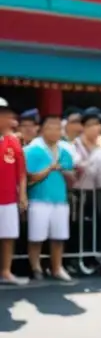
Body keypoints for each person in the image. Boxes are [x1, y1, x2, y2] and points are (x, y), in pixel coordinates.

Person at [24, 115, 75, 282]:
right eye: (51, 127)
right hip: (39, 199)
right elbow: (29, 178)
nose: (55, 132)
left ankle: (57, 268)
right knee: (36, 237)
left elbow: (71, 177)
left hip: (60, 199)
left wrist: (70, 174)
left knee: (59, 237)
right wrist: (50, 168)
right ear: (42, 129)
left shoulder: (65, 151)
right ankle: (36, 267)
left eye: (58, 128)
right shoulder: (32, 150)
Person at [73, 108, 101, 275]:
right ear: (84, 127)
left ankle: (92, 258)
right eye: (91, 125)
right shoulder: (75, 145)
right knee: (78, 227)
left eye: (97, 124)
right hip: (78, 191)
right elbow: (79, 166)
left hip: (94, 191)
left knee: (94, 225)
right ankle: (77, 259)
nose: (95, 128)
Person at [0, 99, 27, 285]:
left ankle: (6, 272)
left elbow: (21, 172)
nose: (6, 118)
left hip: (8, 198)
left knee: (8, 236)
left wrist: (22, 195)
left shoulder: (13, 141)